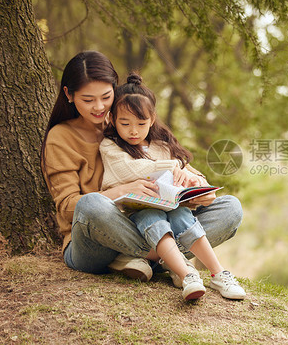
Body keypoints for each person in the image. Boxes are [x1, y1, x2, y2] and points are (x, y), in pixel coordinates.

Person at [41, 50, 243, 287]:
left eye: (106, 97)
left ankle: (146, 258)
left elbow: (172, 158)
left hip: (148, 222)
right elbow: (67, 210)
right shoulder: (61, 137)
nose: (99, 107)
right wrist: (123, 191)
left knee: (230, 208)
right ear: (69, 94)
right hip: (97, 239)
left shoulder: (128, 120)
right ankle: (168, 259)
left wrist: (195, 182)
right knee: (91, 204)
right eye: (88, 100)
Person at [98, 73, 246, 300]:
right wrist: (174, 166)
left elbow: (185, 174)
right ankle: (185, 271)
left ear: (153, 118)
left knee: (186, 215)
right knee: (151, 216)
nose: (133, 131)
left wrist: (192, 181)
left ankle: (217, 273)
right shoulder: (110, 146)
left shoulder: (162, 144)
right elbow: (129, 170)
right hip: (133, 218)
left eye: (141, 123)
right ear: (111, 119)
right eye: (124, 123)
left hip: (171, 210)